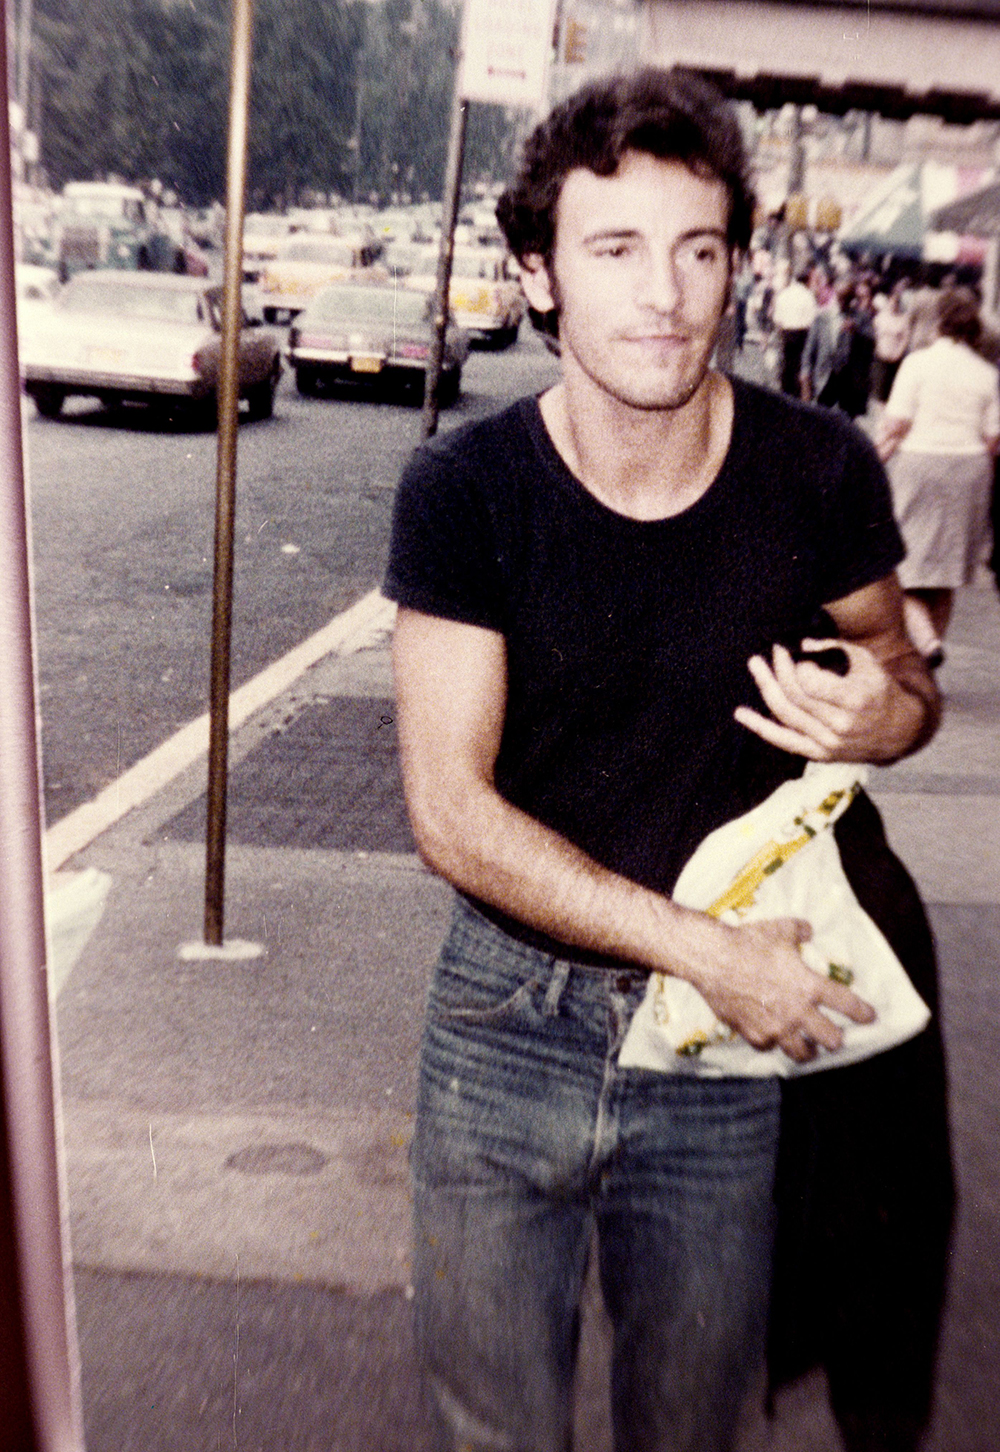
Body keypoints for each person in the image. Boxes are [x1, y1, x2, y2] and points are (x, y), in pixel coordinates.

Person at [385, 69, 945, 1452]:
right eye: (615, 248)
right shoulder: (468, 491)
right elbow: (451, 814)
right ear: (540, 274)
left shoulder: (819, 474)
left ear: (738, 264)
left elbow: (907, 671)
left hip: (721, 1062)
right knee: (495, 1430)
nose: (665, 294)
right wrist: (701, 946)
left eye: (698, 249)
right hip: (506, 1032)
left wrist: (897, 715)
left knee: (689, 1432)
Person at [877, 286, 1000, 665]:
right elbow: (993, 436)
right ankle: (928, 657)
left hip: (920, 465)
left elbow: (897, 422)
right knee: (945, 571)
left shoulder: (917, 363)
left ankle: (927, 643)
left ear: (939, 323)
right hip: (970, 471)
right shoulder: (987, 373)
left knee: (904, 570)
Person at [772, 264, 817, 394]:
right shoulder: (808, 296)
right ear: (806, 281)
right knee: (800, 364)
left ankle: (785, 390)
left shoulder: (784, 294)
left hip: (786, 332)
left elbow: (777, 319)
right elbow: (811, 319)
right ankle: (797, 392)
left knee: (787, 363)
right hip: (802, 333)